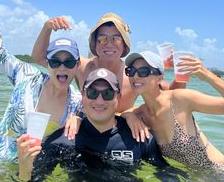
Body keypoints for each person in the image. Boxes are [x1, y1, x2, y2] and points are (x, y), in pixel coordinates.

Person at [16, 68, 189, 182]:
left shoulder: (139, 135)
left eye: (107, 94)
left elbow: (162, 169)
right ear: (83, 96)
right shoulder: (62, 139)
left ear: (118, 98)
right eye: (92, 92)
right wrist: (24, 167)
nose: (99, 100)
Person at [0, 0, 82, 163]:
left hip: (30, 175)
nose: (62, 67)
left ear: (77, 66)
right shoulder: (27, 76)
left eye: (69, 62)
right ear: (47, 63)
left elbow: (108, 112)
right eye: (55, 61)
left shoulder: (77, 103)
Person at [124, 51, 224, 182]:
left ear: (159, 78)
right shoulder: (140, 115)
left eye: (144, 71)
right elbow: (114, 115)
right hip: (197, 181)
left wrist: (209, 76)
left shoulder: (179, 99)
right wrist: (129, 116)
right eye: (131, 71)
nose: (135, 76)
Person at [31, 13, 186, 114]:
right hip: (86, 131)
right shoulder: (83, 67)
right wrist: (47, 28)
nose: (109, 44)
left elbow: (174, 95)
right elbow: (39, 58)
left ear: (124, 44)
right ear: (95, 44)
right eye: (103, 39)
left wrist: (182, 71)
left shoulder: (132, 75)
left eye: (116, 39)